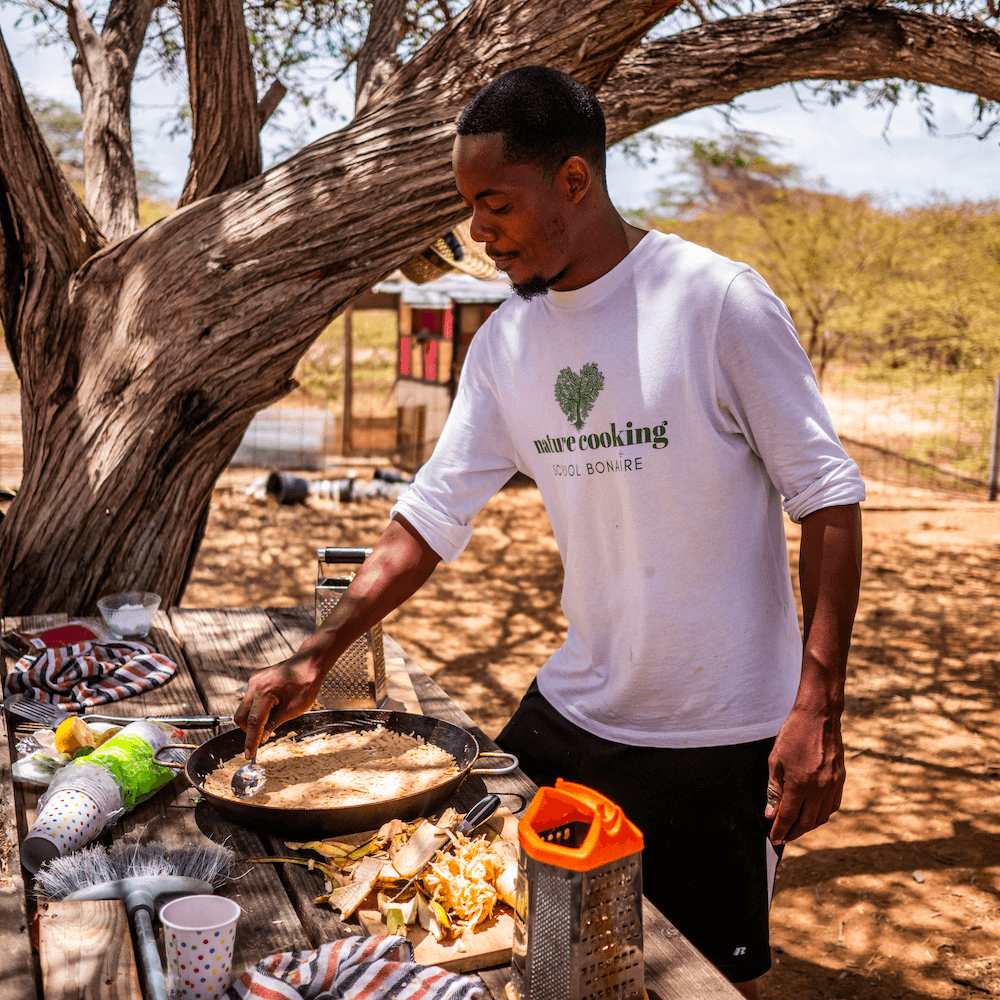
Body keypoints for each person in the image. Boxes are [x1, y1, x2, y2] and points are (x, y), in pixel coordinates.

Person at [235, 66, 864, 998]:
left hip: (720, 735)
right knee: (504, 942)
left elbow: (828, 499)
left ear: (575, 181)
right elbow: (431, 516)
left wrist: (816, 704)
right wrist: (318, 654)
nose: (478, 234)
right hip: (573, 718)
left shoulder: (715, 303)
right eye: (469, 208)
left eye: (495, 205)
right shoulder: (506, 347)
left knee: (682, 981)